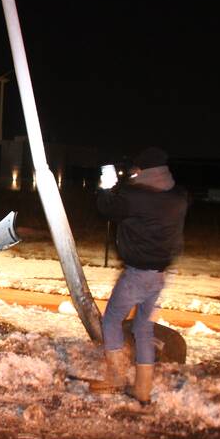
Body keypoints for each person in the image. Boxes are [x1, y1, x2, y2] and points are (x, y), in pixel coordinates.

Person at [89, 147, 187, 404]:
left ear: (143, 170)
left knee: (110, 321)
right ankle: (142, 389)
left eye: (135, 169)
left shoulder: (136, 196)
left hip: (137, 274)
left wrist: (107, 186)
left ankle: (115, 378)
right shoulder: (177, 196)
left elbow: (106, 207)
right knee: (143, 328)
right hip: (160, 275)